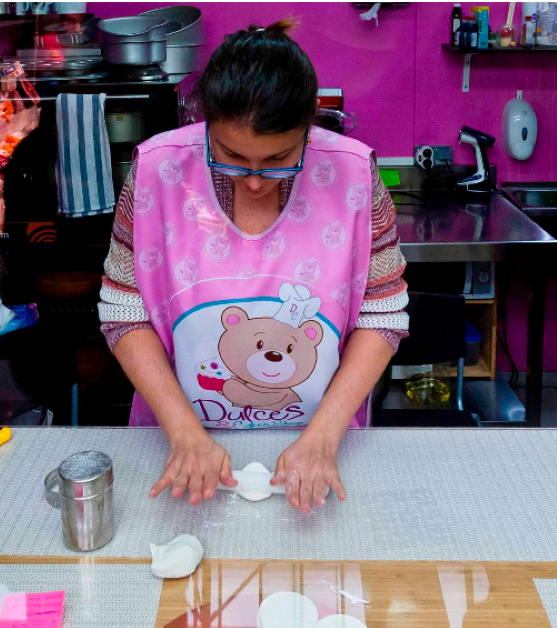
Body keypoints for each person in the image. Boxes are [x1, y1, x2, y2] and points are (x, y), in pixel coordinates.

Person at [98, 19, 409, 514]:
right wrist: (185, 436)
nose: (257, 181)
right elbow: (123, 309)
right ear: (205, 124)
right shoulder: (158, 169)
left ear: (310, 125)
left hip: (321, 446)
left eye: (280, 158)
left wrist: (323, 439)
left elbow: (383, 312)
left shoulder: (352, 172)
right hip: (180, 443)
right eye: (230, 157)